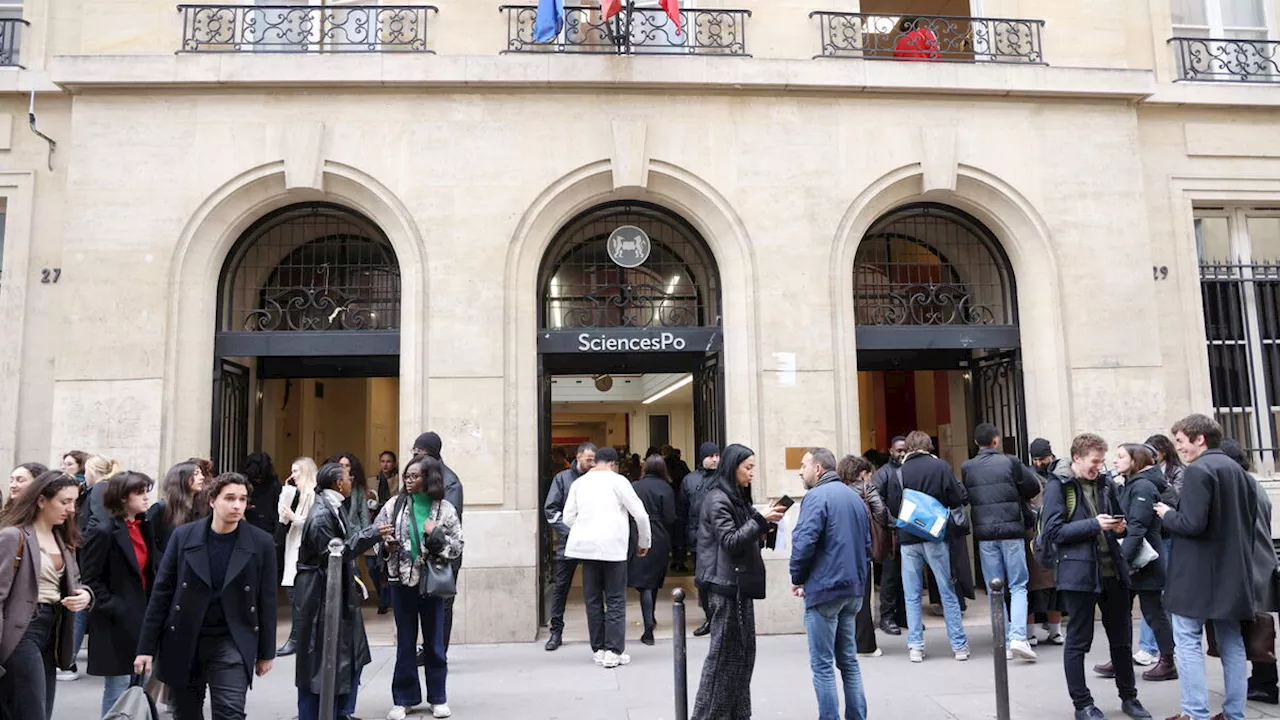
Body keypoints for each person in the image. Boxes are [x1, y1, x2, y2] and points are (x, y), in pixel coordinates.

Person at [134, 472, 278, 720]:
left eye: (242, 499)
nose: (237, 505)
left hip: (233, 639)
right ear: (212, 501)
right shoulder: (184, 536)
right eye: (230, 498)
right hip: (184, 638)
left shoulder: (260, 542)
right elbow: (162, 593)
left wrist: (267, 652)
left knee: (230, 712)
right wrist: (146, 648)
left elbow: (267, 600)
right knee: (185, 713)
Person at [1154, 414, 1261, 720]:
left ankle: (1195, 712)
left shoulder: (1200, 470)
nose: (1179, 448)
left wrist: (1166, 514)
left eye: (1181, 441)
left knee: (1187, 640)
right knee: (1231, 642)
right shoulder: (1239, 472)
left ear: (1199, 438)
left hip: (1197, 576)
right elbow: (1249, 525)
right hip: (1232, 571)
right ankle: (1233, 713)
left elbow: (1192, 523)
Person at [1041, 433, 1150, 720]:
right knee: (1078, 641)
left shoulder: (1105, 483)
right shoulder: (1058, 486)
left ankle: (1130, 698)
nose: (1099, 467)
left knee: (1122, 640)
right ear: (1077, 458)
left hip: (1113, 572)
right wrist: (1094, 525)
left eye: (1102, 461)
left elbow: (1120, 518)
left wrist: (1119, 527)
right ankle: (1083, 704)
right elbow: (1054, 532)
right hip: (1079, 575)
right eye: (1094, 461)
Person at [691, 444, 784, 720]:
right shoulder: (718, 499)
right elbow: (730, 541)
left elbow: (742, 536)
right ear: (733, 468)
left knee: (742, 657)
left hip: (738, 583)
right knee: (723, 659)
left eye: (753, 467)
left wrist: (765, 525)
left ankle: (737, 714)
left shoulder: (736, 497)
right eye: (748, 467)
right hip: (724, 586)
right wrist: (758, 519)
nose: (752, 473)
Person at [292, 462, 387, 720]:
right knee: (321, 661)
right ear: (338, 483)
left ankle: (341, 711)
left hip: (335, 594)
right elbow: (334, 553)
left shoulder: (333, 506)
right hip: (321, 597)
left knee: (350, 655)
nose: (351, 479)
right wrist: (372, 534)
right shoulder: (323, 513)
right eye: (347, 477)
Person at [376, 454, 464, 720]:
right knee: (405, 642)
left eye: (415, 476)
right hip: (401, 583)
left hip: (431, 583)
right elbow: (375, 536)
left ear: (429, 478)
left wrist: (434, 535)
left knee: (434, 643)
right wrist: (386, 545)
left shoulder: (444, 509)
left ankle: (438, 698)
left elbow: (457, 547)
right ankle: (404, 699)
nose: (409, 480)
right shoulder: (394, 505)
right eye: (407, 476)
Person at [0, 471, 93, 720]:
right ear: (41, 500)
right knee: (32, 712)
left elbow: (78, 583)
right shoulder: (13, 536)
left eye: (74, 502)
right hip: (21, 631)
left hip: (54, 631)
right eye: (64, 502)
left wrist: (85, 596)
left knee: (41, 709)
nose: (71, 509)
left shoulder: (63, 538)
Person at [791, 447, 870, 720]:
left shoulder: (815, 498)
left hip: (825, 589)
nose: (800, 471)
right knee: (848, 661)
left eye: (803, 465)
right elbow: (866, 545)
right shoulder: (854, 497)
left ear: (818, 469)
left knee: (823, 665)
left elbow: (804, 543)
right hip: (853, 588)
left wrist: (797, 578)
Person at [1092, 444, 1176, 682]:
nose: (1115, 461)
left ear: (1135, 460)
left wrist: (1122, 559)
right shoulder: (1132, 484)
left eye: (1121, 457)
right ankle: (1121, 659)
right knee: (1122, 612)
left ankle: (1167, 660)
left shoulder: (1142, 486)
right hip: (1133, 559)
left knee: (1153, 612)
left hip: (1143, 561)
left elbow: (1137, 527)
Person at [883, 431, 969, 663]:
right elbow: (956, 498)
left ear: (909, 447)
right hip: (935, 535)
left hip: (908, 536)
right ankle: (959, 646)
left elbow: (893, 504)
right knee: (946, 591)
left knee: (911, 594)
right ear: (928, 446)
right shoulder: (940, 467)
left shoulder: (899, 472)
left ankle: (916, 646)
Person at [563, 447, 651, 668]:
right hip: (613, 547)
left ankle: (599, 648)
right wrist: (644, 542)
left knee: (593, 600)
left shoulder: (579, 483)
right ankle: (613, 650)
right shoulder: (618, 481)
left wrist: (584, 529)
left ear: (596, 462)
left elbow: (567, 518)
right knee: (615, 599)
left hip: (585, 548)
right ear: (613, 463)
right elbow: (639, 514)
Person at [961, 422, 1042, 662]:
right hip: (1011, 531)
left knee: (994, 588)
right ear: (996, 440)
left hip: (985, 534)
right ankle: (1017, 637)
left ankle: (1003, 640)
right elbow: (1032, 486)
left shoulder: (968, 467)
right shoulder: (1010, 462)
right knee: (1018, 585)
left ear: (977, 443)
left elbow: (966, 494)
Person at [80, 470, 157, 715]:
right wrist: (114, 606)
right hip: (115, 620)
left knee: (141, 682)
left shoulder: (144, 526)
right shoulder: (103, 531)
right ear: (123, 497)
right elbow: (91, 578)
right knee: (118, 686)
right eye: (140, 492)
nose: (146, 498)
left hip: (143, 615)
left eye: (147, 492)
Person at [1220, 438, 1280, 705]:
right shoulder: (1251, 482)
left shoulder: (1239, 485)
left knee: (1257, 626)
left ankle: (1265, 683)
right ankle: (1262, 680)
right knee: (1257, 624)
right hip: (1261, 561)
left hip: (1252, 563)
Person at [413, 432, 464, 652]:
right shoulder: (415, 477)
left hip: (443, 554)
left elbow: (448, 523)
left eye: (420, 452)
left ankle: (437, 650)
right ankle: (429, 647)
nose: (415, 457)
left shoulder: (450, 482)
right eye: (414, 452)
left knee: (442, 603)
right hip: (421, 552)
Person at [543, 442, 595, 651]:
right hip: (569, 543)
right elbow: (551, 509)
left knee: (594, 590)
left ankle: (597, 635)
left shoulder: (597, 480)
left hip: (593, 543)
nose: (592, 463)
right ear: (579, 456)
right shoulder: (562, 478)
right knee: (561, 588)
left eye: (594, 459)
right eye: (589, 459)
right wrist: (570, 531)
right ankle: (556, 632)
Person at [837, 455, 886, 657]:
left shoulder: (836, 490)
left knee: (841, 598)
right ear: (862, 473)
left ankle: (842, 643)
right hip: (861, 548)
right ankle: (865, 645)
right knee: (862, 598)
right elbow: (881, 512)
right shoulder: (867, 488)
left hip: (839, 549)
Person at [628, 454, 677, 646]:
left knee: (645, 583)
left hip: (639, 536)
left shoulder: (635, 486)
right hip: (660, 537)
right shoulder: (666, 488)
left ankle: (649, 624)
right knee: (653, 581)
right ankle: (650, 622)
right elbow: (671, 517)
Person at [276, 457, 317, 656]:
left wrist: (295, 518)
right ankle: (296, 638)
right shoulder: (298, 495)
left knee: (299, 599)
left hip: (304, 552)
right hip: (293, 549)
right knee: (294, 597)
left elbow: (313, 524)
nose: (292, 475)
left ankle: (297, 639)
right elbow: (282, 517)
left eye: (296, 471)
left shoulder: (314, 495)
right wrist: (286, 492)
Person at [1027, 438, 1065, 647]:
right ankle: (1030, 632)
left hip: (1054, 532)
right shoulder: (1028, 473)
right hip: (1035, 533)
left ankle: (1055, 630)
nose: (1039, 463)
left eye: (1042, 458)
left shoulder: (1060, 471)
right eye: (1035, 459)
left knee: (1054, 587)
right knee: (1033, 587)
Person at [678, 442, 720, 637]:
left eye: (717, 456)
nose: (714, 459)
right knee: (702, 580)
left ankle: (719, 617)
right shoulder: (689, 480)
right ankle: (709, 616)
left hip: (720, 535)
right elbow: (682, 510)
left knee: (720, 579)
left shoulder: (725, 478)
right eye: (710, 456)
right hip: (697, 537)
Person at [870, 436, 907, 635]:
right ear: (890, 451)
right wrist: (891, 521)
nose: (901, 453)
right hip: (891, 533)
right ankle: (887, 617)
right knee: (890, 576)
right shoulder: (883, 473)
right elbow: (876, 501)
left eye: (904, 450)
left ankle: (903, 615)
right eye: (898, 450)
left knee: (907, 576)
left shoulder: (909, 470)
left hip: (908, 531)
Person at [146, 461, 208, 557]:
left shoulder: (202, 507)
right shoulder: (160, 508)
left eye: (201, 473)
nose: (202, 477)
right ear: (182, 478)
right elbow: (150, 543)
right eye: (196, 474)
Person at [369, 450, 400, 615]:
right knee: (372, 567)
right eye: (383, 461)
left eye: (389, 461)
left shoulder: (400, 481)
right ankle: (383, 597)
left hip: (392, 526)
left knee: (388, 565)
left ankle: (386, 601)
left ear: (394, 463)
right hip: (375, 526)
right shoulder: (372, 482)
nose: (386, 464)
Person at [241, 452, 281, 538]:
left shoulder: (274, 485)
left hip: (268, 529)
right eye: (255, 479)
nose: (258, 481)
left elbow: (278, 512)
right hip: (248, 527)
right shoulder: (244, 484)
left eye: (260, 478)